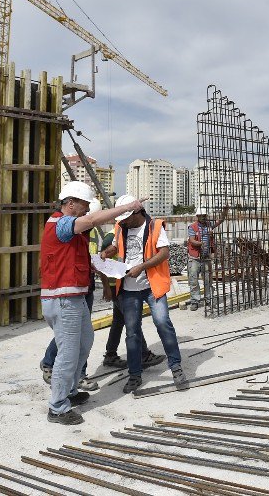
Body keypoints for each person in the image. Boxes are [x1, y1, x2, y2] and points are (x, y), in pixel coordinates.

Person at [40, 181, 144, 425]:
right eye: (85, 205)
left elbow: (82, 258)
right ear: (71, 203)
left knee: (84, 343)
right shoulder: (61, 222)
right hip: (63, 299)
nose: (87, 210)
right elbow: (91, 221)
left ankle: (70, 391)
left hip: (74, 298)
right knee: (67, 353)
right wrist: (128, 207)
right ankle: (57, 407)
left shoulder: (73, 231)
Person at [100, 195, 185, 394]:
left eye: (126, 218)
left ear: (137, 213)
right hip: (128, 289)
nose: (123, 222)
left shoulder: (155, 226)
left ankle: (176, 367)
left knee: (163, 323)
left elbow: (164, 253)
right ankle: (135, 375)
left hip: (151, 285)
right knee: (132, 332)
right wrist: (107, 253)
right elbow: (116, 245)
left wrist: (142, 267)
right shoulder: (121, 226)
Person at [186, 206, 228, 312]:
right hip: (195, 257)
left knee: (208, 280)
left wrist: (225, 211)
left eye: (205, 215)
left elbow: (221, 220)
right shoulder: (192, 227)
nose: (204, 217)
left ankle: (208, 299)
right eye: (201, 216)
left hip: (206, 257)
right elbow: (191, 240)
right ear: (197, 216)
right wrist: (202, 243)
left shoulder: (209, 225)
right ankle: (195, 301)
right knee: (193, 280)